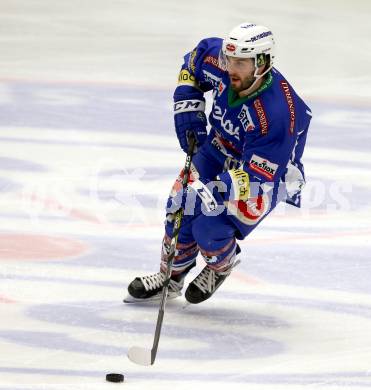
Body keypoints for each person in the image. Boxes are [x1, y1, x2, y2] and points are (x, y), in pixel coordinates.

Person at [124, 22, 312, 304]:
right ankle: (170, 278)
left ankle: (220, 266)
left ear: (263, 63)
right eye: (229, 59)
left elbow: (261, 175)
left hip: (270, 174)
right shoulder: (219, 61)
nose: (231, 67)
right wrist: (187, 102)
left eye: (241, 63)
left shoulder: (277, 114)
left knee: (209, 227)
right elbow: (193, 61)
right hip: (219, 147)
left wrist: (217, 187)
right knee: (179, 204)